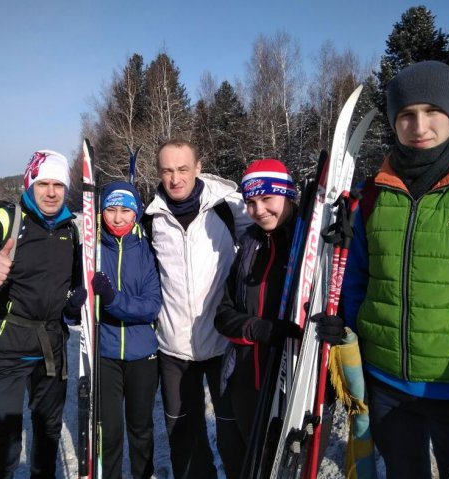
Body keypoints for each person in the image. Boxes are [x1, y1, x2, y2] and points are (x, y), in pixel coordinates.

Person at [315, 61, 449, 479]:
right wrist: (341, 323)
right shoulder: (374, 197)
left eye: (431, 112)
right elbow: (357, 278)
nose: (419, 125)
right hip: (386, 381)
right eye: (406, 115)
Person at [0, 150, 84, 478]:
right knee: (4, 446)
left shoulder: (70, 229)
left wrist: (73, 304)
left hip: (50, 348)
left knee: (48, 437)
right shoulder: (6, 220)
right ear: (30, 183)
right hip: (2, 348)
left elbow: (69, 288)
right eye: (43, 183)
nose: (51, 192)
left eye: (59, 185)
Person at [143, 139, 252, 479]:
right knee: (185, 438)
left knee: (232, 431)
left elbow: (267, 237)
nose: (175, 178)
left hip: (223, 344)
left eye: (182, 169)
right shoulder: (151, 219)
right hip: (174, 350)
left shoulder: (228, 208)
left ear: (198, 168)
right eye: (167, 171)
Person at [214, 159, 303, 458]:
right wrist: (257, 328)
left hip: (290, 381)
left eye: (267, 199)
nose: (259, 210)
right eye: (250, 202)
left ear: (287, 194)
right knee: (252, 461)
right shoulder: (249, 245)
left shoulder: (305, 243)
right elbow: (223, 315)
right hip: (246, 382)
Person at [92, 181, 162, 479]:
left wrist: (112, 300)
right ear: (100, 212)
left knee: (141, 429)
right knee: (108, 433)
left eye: (125, 211)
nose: (118, 218)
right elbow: (77, 307)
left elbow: (151, 305)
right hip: (104, 355)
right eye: (110, 210)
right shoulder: (91, 250)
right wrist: (74, 306)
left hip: (142, 355)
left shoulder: (148, 250)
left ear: (136, 213)